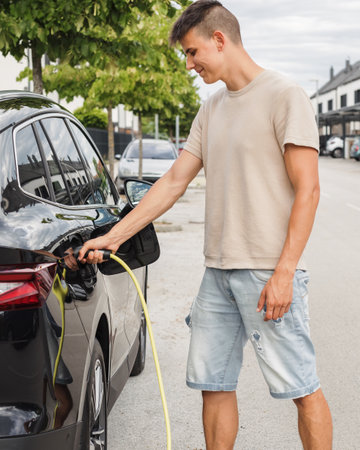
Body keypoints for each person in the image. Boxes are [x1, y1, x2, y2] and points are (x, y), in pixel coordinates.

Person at [79, 1, 332, 448]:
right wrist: (114, 236)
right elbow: (174, 181)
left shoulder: (284, 95)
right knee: (213, 383)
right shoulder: (212, 108)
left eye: (193, 53)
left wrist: (285, 271)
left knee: (301, 388)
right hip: (217, 272)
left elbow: (308, 190)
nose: (190, 64)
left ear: (220, 39)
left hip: (267, 271)